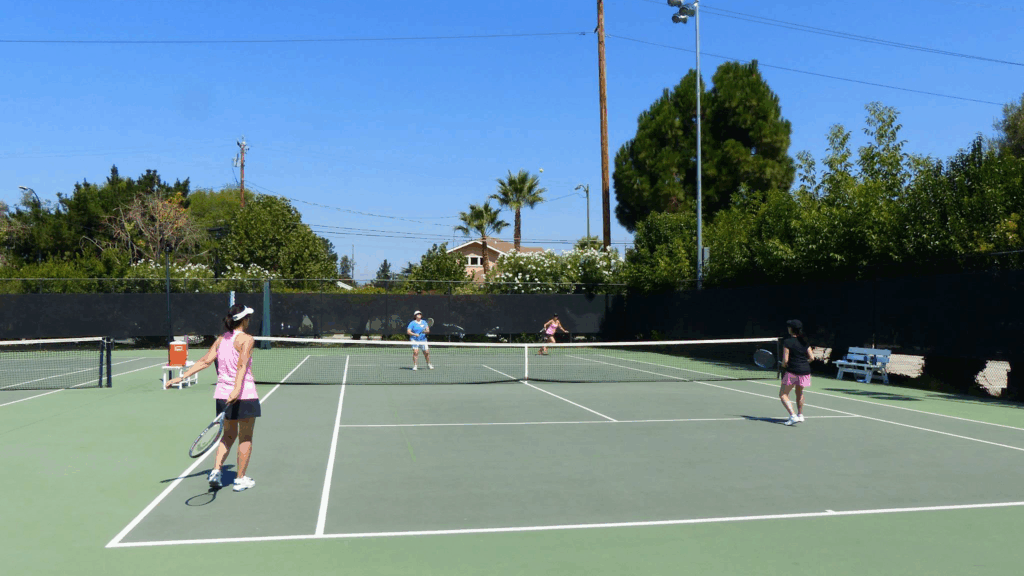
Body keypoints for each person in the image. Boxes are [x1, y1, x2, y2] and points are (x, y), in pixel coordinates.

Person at [166, 304, 261, 491]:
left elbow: (205, 361)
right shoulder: (247, 339)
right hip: (243, 394)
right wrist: (237, 389)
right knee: (246, 437)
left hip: (222, 395)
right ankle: (240, 479)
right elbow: (242, 366)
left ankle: (216, 471)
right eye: (248, 317)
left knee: (227, 435)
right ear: (244, 320)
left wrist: (181, 376)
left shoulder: (221, 339)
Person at [779, 319, 814, 426]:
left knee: (783, 394)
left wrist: (783, 365)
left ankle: (793, 416)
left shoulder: (787, 342)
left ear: (791, 329)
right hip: (805, 371)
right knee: (799, 393)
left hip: (793, 371)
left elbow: (785, 360)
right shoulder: (805, 341)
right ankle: (800, 415)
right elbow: (812, 357)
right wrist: (803, 363)